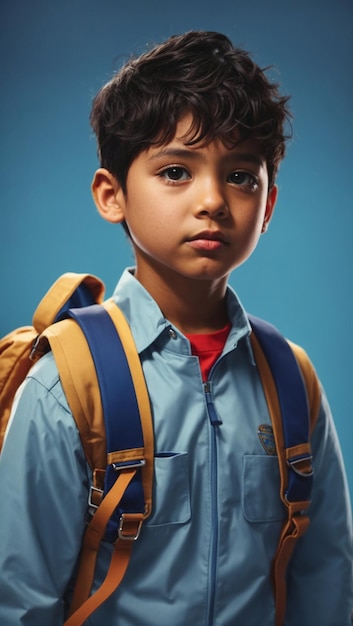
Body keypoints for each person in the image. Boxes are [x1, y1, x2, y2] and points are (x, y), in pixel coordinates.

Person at [0, 30, 352, 626]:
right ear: (112, 195)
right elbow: (21, 597)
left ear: (267, 207)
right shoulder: (66, 383)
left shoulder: (292, 379)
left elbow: (326, 580)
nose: (213, 199)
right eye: (175, 172)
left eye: (241, 175)